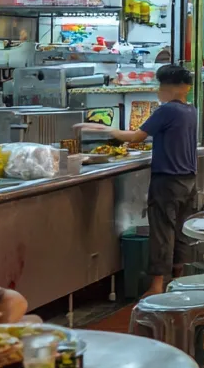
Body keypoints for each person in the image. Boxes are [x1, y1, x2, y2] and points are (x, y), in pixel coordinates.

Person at [77, 64, 197, 296]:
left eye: (160, 85)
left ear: (171, 88)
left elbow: (135, 137)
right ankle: (178, 280)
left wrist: (103, 129)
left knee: (162, 233)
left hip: (168, 180)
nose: (157, 90)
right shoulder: (190, 110)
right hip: (189, 180)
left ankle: (156, 286)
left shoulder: (168, 110)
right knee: (181, 232)